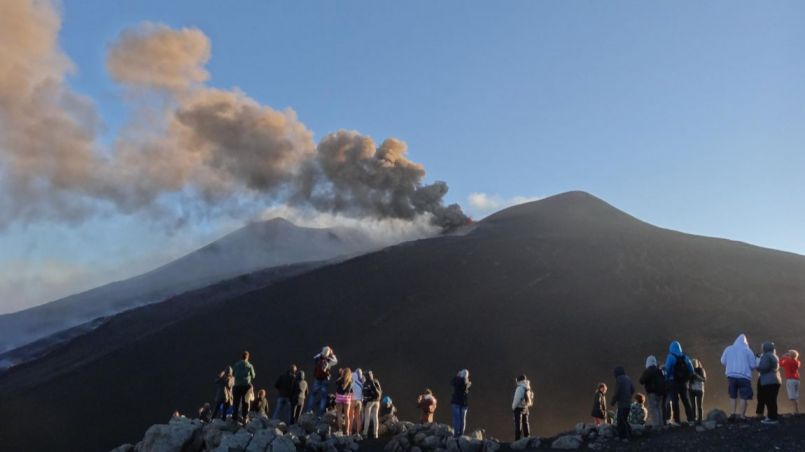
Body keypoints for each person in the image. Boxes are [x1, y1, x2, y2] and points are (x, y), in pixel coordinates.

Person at [721, 334, 758, 421]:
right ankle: (742, 415)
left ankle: (732, 414)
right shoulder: (748, 351)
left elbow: (722, 361)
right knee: (743, 396)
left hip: (731, 376)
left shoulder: (728, 348)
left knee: (733, 395)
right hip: (744, 377)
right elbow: (753, 365)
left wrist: (730, 365)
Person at [663, 340, 695, 426]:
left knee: (675, 401)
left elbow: (667, 369)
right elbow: (691, 369)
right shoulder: (685, 357)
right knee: (686, 400)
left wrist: (666, 379)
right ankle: (691, 419)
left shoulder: (670, 357)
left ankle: (677, 421)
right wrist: (687, 378)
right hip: (684, 383)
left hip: (673, 382)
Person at [306, 346, 339, 416]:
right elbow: (336, 361)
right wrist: (331, 354)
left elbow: (314, 357)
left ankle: (308, 411)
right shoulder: (329, 360)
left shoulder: (318, 357)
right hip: (325, 379)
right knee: (323, 397)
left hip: (317, 378)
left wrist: (322, 353)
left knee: (313, 395)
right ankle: (320, 414)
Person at [756, 341, 782, 424]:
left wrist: (757, 367)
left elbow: (764, 368)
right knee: (773, 400)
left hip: (768, 381)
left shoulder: (766, 356)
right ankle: (773, 416)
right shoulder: (774, 355)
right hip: (776, 380)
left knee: (769, 400)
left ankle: (772, 418)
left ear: (765, 348)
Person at [638, 355, 666, 428]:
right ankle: (661, 424)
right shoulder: (659, 370)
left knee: (654, 409)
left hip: (652, 393)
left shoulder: (648, 371)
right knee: (660, 408)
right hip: (660, 393)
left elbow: (641, 381)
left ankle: (656, 426)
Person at [232, 351, 257, 423]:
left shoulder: (236, 365)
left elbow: (233, 374)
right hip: (246, 386)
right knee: (245, 402)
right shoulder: (249, 365)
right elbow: (253, 376)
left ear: (241, 357)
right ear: (248, 357)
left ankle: (234, 418)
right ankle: (245, 417)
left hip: (237, 386)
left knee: (236, 402)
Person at [610, 366, 634, 440]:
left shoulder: (619, 380)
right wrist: (628, 396)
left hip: (622, 404)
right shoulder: (628, 378)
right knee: (624, 419)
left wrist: (613, 401)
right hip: (628, 403)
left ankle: (625, 436)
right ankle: (627, 434)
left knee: (621, 420)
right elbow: (633, 389)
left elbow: (617, 392)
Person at [511, 375, 533, 441]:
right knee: (526, 423)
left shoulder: (519, 388)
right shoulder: (528, 387)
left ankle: (517, 439)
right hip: (526, 408)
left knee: (518, 424)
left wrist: (513, 407)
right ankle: (527, 437)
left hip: (518, 408)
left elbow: (516, 399)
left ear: (518, 381)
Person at [450, 369, 471, 438]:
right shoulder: (468, 383)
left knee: (457, 419)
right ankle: (461, 434)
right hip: (464, 403)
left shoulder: (458, 380)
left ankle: (456, 434)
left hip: (456, 402)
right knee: (463, 419)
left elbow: (452, 382)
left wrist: (457, 376)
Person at [362, 370, 383, 439]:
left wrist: (364, 402)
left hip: (370, 402)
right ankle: (375, 434)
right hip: (377, 401)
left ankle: (365, 433)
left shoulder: (366, 383)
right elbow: (380, 391)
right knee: (375, 417)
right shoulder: (376, 381)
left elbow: (364, 394)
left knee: (367, 417)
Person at [780, 350, 800, 414]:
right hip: (797, 379)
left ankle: (796, 411)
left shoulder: (788, 361)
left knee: (792, 397)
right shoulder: (798, 362)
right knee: (796, 396)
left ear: (790, 355)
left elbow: (780, 363)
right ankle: (796, 410)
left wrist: (783, 357)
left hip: (791, 380)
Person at [335, 368, 354, 434]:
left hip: (339, 397)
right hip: (347, 398)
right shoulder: (351, 381)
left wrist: (340, 375)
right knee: (347, 415)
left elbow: (336, 382)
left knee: (339, 414)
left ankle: (340, 430)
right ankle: (347, 431)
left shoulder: (340, 379)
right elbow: (350, 391)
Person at [689, 359, 707, 424]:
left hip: (699, 390)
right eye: (692, 364)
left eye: (694, 364)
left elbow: (704, 380)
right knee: (693, 406)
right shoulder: (690, 370)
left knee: (699, 406)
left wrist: (696, 375)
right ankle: (694, 419)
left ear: (697, 364)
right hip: (691, 390)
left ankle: (700, 420)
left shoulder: (701, 370)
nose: (693, 365)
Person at [351, 368, 365, 435]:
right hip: (360, 401)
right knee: (358, 417)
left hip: (353, 400)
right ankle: (358, 432)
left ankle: (350, 432)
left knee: (351, 416)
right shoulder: (362, 380)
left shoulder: (353, 376)